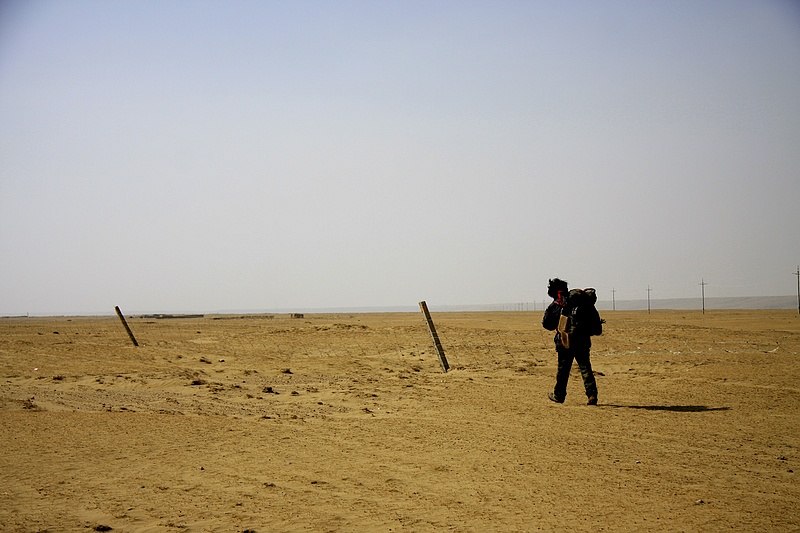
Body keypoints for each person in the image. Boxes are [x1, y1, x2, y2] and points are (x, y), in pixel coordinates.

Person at [541, 277, 598, 405]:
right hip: (583, 340)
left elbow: (547, 324)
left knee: (563, 370)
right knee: (585, 367)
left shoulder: (557, 304)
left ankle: (559, 395)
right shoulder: (581, 302)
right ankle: (592, 394)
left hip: (565, 341)